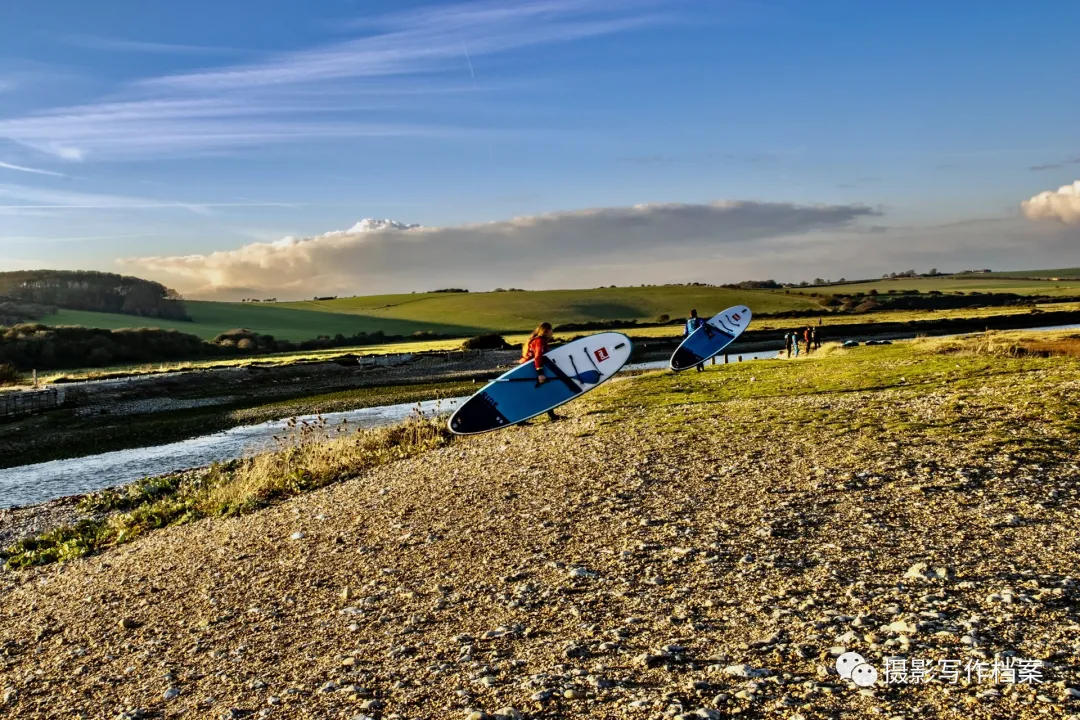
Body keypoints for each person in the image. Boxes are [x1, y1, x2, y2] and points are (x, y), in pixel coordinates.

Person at [520, 322, 559, 422]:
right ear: (546, 331)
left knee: (545, 391)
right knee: (533, 394)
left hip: (528, 368)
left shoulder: (536, 340)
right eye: (551, 331)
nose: (552, 333)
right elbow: (538, 357)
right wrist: (540, 373)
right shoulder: (539, 341)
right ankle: (521, 420)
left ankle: (552, 415)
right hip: (531, 369)